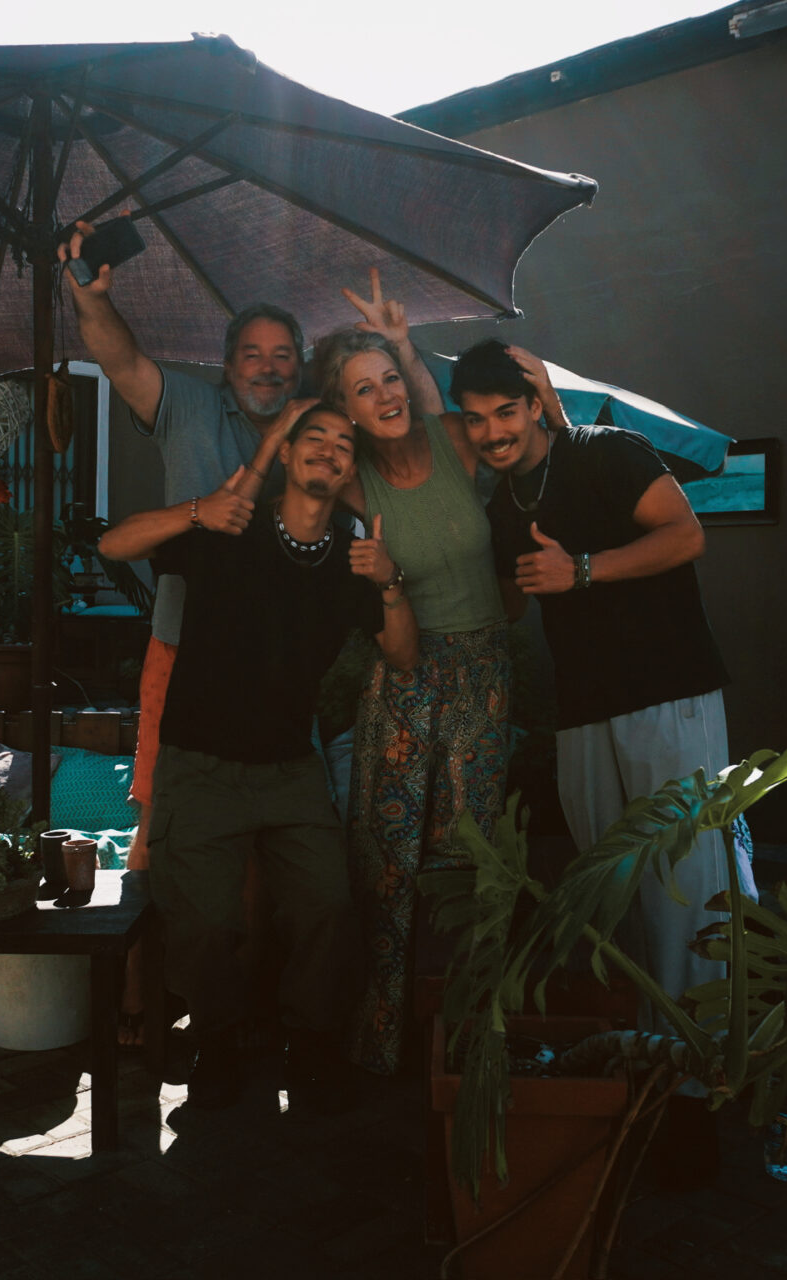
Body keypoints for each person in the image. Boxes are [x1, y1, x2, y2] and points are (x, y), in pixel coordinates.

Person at [58, 223, 421, 1042]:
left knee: (274, 848)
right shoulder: (189, 405)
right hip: (185, 649)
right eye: (251, 354)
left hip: (285, 673)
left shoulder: (324, 437)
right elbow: (119, 359)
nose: (267, 366)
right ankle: (144, 998)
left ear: (301, 367)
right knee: (164, 827)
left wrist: (389, 573)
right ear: (228, 367)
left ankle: (247, 1013)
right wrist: (91, 294)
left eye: (282, 355)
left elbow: (389, 488)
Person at [454, 337, 754, 1182]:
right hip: (584, 715)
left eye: (505, 412)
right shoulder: (504, 502)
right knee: (610, 902)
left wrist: (580, 570)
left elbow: (686, 535)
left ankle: (695, 1107)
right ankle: (643, 1085)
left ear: (534, 403)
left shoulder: (607, 451)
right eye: (475, 419)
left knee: (687, 897)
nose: (492, 432)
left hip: (669, 695)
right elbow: (511, 603)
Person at [96, 405, 418, 1111]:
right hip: (200, 763)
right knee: (206, 923)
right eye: (315, 438)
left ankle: (308, 1041)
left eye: (343, 444)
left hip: (289, 768)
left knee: (328, 907)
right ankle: (218, 1036)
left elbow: (402, 654)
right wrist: (197, 510)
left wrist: (389, 580)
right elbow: (115, 544)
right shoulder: (229, 530)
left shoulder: (350, 560)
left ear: (350, 469)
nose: (329, 450)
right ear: (289, 454)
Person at [311, 328, 511, 1076]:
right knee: (385, 862)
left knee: (470, 863)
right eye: (363, 389)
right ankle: (378, 1044)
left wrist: (401, 343)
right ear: (346, 410)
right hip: (404, 675)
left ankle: (462, 1045)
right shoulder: (355, 480)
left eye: (390, 378)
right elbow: (298, 459)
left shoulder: (456, 439)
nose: (385, 396)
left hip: (483, 677)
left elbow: (489, 427)